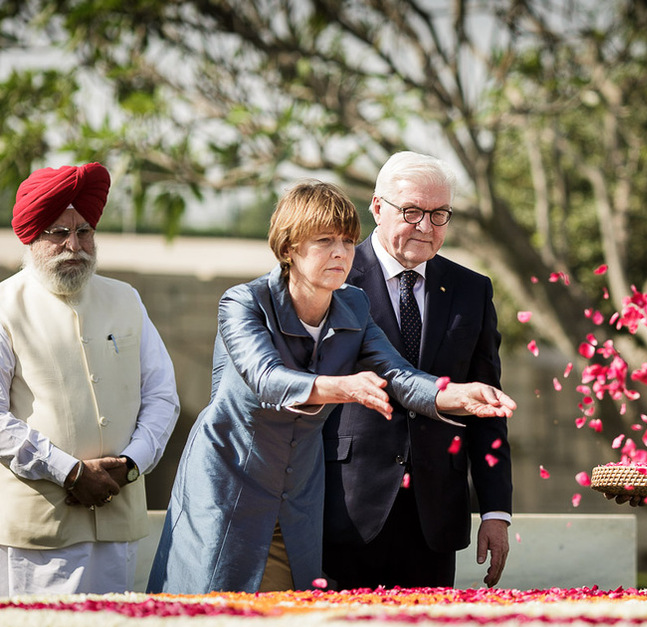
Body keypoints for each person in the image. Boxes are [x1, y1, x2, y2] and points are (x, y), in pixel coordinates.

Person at [147, 180, 515, 595]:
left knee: (293, 620)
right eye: (325, 241)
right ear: (289, 248)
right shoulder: (243, 302)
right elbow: (266, 379)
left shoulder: (353, 304)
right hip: (230, 484)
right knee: (211, 615)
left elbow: (400, 377)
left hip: (300, 495)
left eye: (346, 240)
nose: (341, 253)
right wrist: (344, 387)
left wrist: (454, 395)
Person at [322, 151, 513, 589]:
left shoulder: (472, 290)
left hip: (435, 516)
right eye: (411, 212)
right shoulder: (336, 278)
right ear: (376, 207)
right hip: (346, 508)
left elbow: (487, 404)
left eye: (439, 214)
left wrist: (495, 511)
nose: (426, 227)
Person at [0, 163, 180, 596]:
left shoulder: (126, 298)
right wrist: (69, 472)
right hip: (39, 531)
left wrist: (131, 463)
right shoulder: (6, 306)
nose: (74, 246)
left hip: (120, 518)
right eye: (58, 233)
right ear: (31, 237)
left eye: (84, 232)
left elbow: (162, 396)